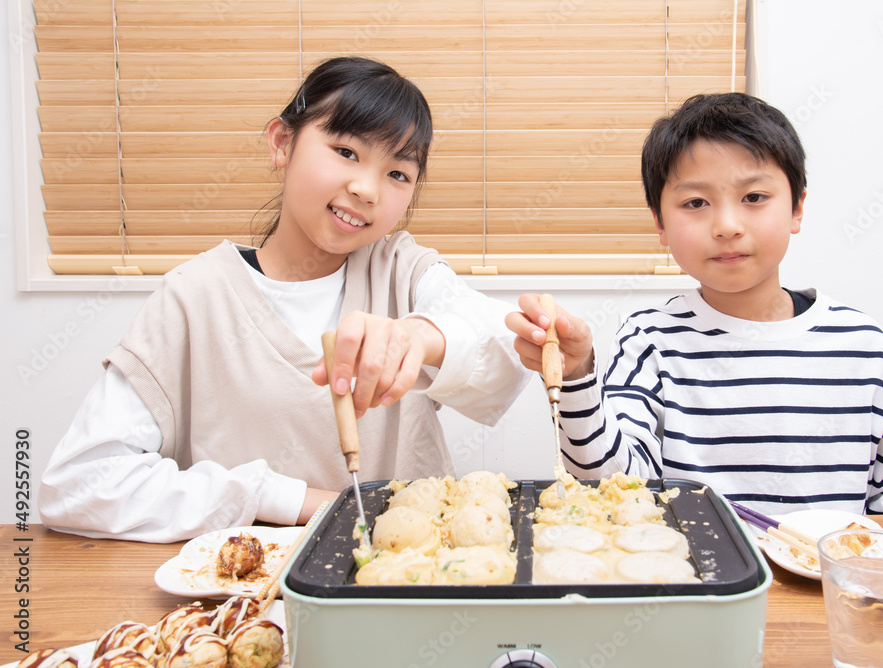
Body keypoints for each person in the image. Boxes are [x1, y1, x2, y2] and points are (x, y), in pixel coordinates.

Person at [39, 57, 532, 542]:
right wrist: (282, 498)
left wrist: (420, 336)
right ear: (282, 143)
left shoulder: (401, 271)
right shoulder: (195, 297)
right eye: (346, 151)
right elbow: (79, 485)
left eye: (398, 174)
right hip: (251, 583)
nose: (367, 190)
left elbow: (505, 349)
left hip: (405, 579)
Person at [506, 93, 883, 516]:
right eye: (696, 203)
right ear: (660, 223)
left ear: (797, 208)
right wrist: (577, 376)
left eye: (754, 197)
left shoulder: (862, 345)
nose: (727, 226)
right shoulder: (649, 340)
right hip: (696, 561)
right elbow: (616, 486)